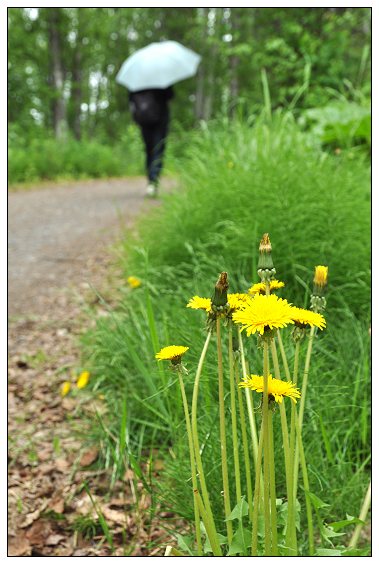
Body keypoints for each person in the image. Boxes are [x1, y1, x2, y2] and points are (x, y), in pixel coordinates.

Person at [128, 86, 174, 197]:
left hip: (144, 120)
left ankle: (151, 180)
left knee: (149, 150)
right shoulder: (162, 78)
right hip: (160, 120)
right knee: (158, 150)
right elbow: (171, 95)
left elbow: (131, 99)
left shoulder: (138, 80)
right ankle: (153, 180)